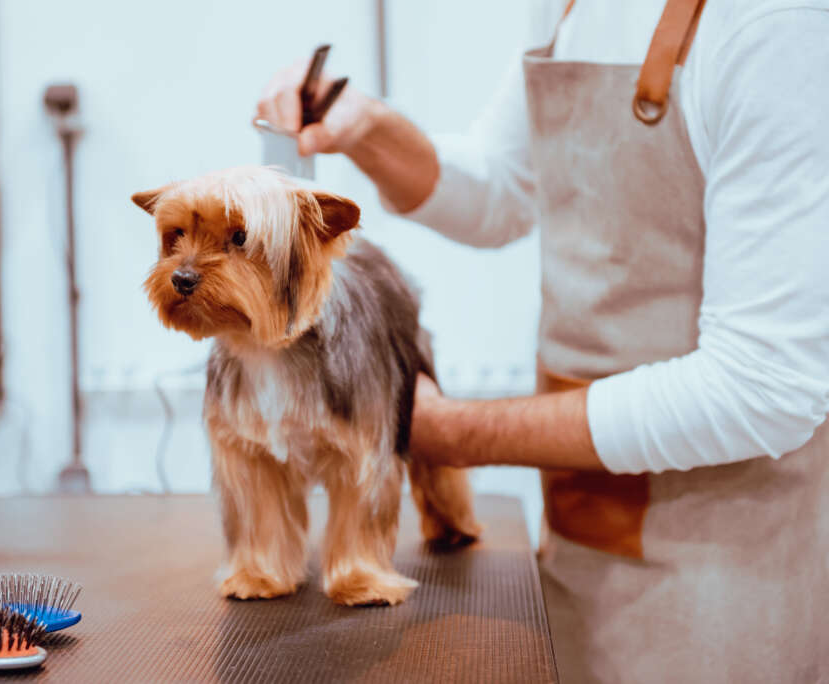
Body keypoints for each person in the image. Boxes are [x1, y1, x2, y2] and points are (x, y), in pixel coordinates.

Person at [256, 0, 829, 681]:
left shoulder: (774, 26)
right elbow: (503, 189)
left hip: (721, 563)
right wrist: (367, 130)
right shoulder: (567, 8)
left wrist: (445, 431)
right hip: (579, 518)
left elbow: (762, 387)